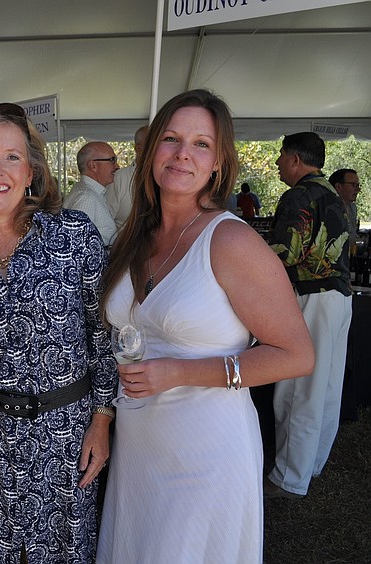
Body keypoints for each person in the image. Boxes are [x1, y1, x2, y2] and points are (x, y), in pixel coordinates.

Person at [96, 90, 314, 563]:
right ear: (152, 150)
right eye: (171, 139)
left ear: (218, 162)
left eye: (200, 144)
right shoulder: (134, 236)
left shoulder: (230, 239)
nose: (182, 154)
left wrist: (179, 372)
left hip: (206, 451)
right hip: (138, 446)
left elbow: (297, 354)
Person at [0, 103, 117, 563]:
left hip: (64, 431)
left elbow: (105, 333)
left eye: (11, 157)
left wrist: (103, 418)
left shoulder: (73, 235)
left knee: (61, 553)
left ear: (32, 169)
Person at [266, 132, 353, 499]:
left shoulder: (299, 195)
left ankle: (290, 477)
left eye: (282, 156)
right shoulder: (333, 194)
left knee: (299, 388)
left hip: (311, 297)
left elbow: (283, 252)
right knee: (327, 387)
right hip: (339, 298)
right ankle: (312, 464)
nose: (278, 164)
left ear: (297, 159)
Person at [63, 141, 119, 245]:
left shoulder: (91, 193)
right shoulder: (86, 198)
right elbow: (75, 245)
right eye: (112, 160)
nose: (117, 166)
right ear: (93, 166)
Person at [106, 125, 148, 228]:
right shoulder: (119, 178)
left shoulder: (167, 178)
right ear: (138, 148)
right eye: (152, 144)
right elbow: (106, 219)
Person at [330, 168, 361, 250]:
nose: (358, 189)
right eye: (354, 185)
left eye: (358, 185)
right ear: (338, 187)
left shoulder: (352, 208)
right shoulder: (328, 210)